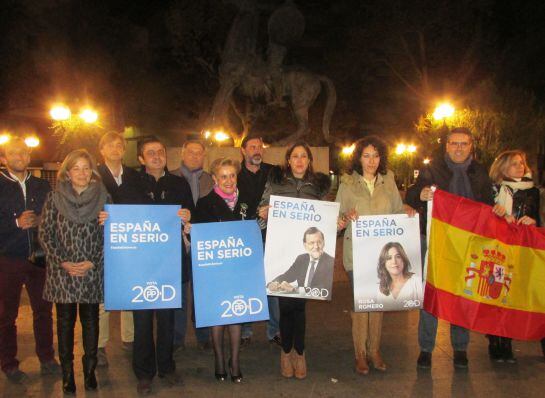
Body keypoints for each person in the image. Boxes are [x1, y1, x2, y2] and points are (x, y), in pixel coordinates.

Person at [406, 127, 498, 370]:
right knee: (431, 295)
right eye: (454, 143)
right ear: (446, 146)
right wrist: (421, 194)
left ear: (471, 147)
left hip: (468, 244)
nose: (459, 148)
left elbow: (488, 204)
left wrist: (497, 212)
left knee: (462, 295)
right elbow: (412, 194)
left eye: (464, 144)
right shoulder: (432, 170)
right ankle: (426, 349)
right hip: (436, 241)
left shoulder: (479, 172)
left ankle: (460, 348)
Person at [116, 136, 193, 395]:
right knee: (142, 321)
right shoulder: (130, 185)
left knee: (167, 320)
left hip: (170, 264)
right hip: (141, 264)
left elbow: (192, 215)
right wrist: (108, 218)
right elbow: (121, 219)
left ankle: (167, 367)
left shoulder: (179, 184)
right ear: (141, 158)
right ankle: (144, 373)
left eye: (161, 151)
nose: (157, 156)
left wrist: (188, 217)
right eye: (151, 153)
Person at [335, 135, 415, 375]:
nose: (371, 161)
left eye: (376, 156)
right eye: (366, 156)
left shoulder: (388, 180)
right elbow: (336, 219)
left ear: (382, 158)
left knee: (378, 302)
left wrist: (407, 211)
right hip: (356, 254)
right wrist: (345, 218)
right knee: (361, 304)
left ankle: (375, 350)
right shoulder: (347, 183)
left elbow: (397, 211)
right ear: (359, 158)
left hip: (383, 255)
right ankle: (360, 353)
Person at [258, 141, 331, 379]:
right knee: (285, 306)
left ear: (310, 161)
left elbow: (325, 221)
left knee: (299, 306)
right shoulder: (276, 181)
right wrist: (264, 212)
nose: (299, 160)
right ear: (288, 160)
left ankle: (299, 352)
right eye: (295, 156)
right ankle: (286, 351)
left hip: (306, 254)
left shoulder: (318, 186)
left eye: (304, 156)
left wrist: (336, 224)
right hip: (280, 251)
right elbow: (261, 209)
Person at [39, 149, 109, 394]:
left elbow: (111, 236)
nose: (82, 172)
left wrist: (92, 260)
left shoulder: (104, 198)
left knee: (91, 322)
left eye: (86, 168)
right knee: (65, 323)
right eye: (76, 168)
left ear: (92, 172)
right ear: (67, 173)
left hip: (91, 270)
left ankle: (90, 371)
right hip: (63, 273)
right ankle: (67, 374)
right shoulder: (54, 198)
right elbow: (45, 234)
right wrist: (62, 262)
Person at [0, 137, 60, 384]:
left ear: (28, 157)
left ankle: (47, 358)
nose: (19, 156)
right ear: (3, 158)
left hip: (39, 258)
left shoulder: (41, 185)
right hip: (8, 259)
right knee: (6, 315)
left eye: (24, 152)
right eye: (13, 152)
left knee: (44, 311)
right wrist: (15, 223)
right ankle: (9, 363)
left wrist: (40, 222)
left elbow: (54, 217)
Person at [193, 157, 246, 383]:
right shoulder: (204, 204)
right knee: (218, 316)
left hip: (240, 268)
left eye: (232, 175)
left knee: (235, 314)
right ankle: (218, 359)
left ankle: (234, 362)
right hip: (214, 271)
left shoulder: (246, 202)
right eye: (223, 176)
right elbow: (198, 238)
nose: (228, 180)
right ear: (214, 179)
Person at [488, 149, 541, 363]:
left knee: (515, 296)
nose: (520, 167)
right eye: (514, 164)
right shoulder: (494, 191)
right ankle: (496, 340)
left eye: (522, 163)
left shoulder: (533, 192)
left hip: (523, 251)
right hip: (498, 251)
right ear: (502, 168)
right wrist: (496, 213)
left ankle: (507, 338)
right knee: (498, 294)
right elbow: (482, 217)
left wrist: (534, 222)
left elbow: (539, 218)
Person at [96, 132, 138, 366]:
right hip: (102, 241)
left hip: (130, 240)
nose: (115, 148)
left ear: (124, 150)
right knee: (103, 297)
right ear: (101, 150)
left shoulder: (133, 174)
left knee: (129, 291)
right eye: (109, 145)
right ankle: (100, 345)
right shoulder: (93, 175)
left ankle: (129, 339)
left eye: (119, 145)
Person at [170, 139, 213, 352]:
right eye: (191, 152)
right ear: (182, 154)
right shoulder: (171, 178)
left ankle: (203, 336)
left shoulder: (210, 180)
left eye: (199, 153)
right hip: (177, 242)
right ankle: (177, 338)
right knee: (179, 292)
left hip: (204, 241)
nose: (195, 156)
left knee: (202, 290)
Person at [236, 135, 278, 347]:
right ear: (243, 150)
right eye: (252, 147)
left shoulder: (274, 173)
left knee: (273, 285)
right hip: (245, 237)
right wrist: (255, 212)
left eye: (260, 146)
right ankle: (245, 329)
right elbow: (233, 206)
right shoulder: (234, 175)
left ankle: (275, 330)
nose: (257, 150)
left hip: (272, 237)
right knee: (247, 284)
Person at [267, 227, 334, 298]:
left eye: (319, 242)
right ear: (305, 245)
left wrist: (295, 290)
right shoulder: (301, 259)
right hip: (300, 302)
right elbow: (287, 275)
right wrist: (273, 283)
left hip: (318, 303)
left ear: (324, 243)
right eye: (311, 243)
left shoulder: (331, 262)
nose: (316, 246)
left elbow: (325, 289)